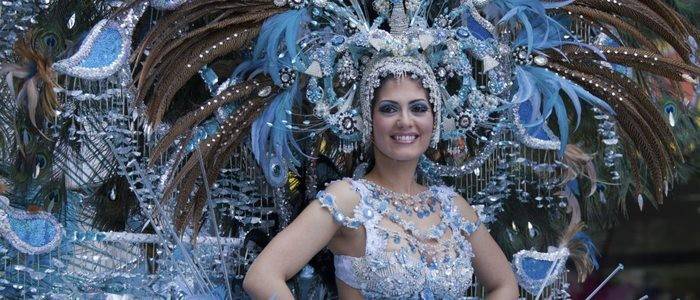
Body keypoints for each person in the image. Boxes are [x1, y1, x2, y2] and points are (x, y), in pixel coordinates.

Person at [243, 56, 519, 299]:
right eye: (389, 109)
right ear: (368, 120)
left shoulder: (451, 207)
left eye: (418, 108)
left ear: (434, 120)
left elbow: (504, 284)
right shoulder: (349, 200)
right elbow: (262, 277)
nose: (405, 121)